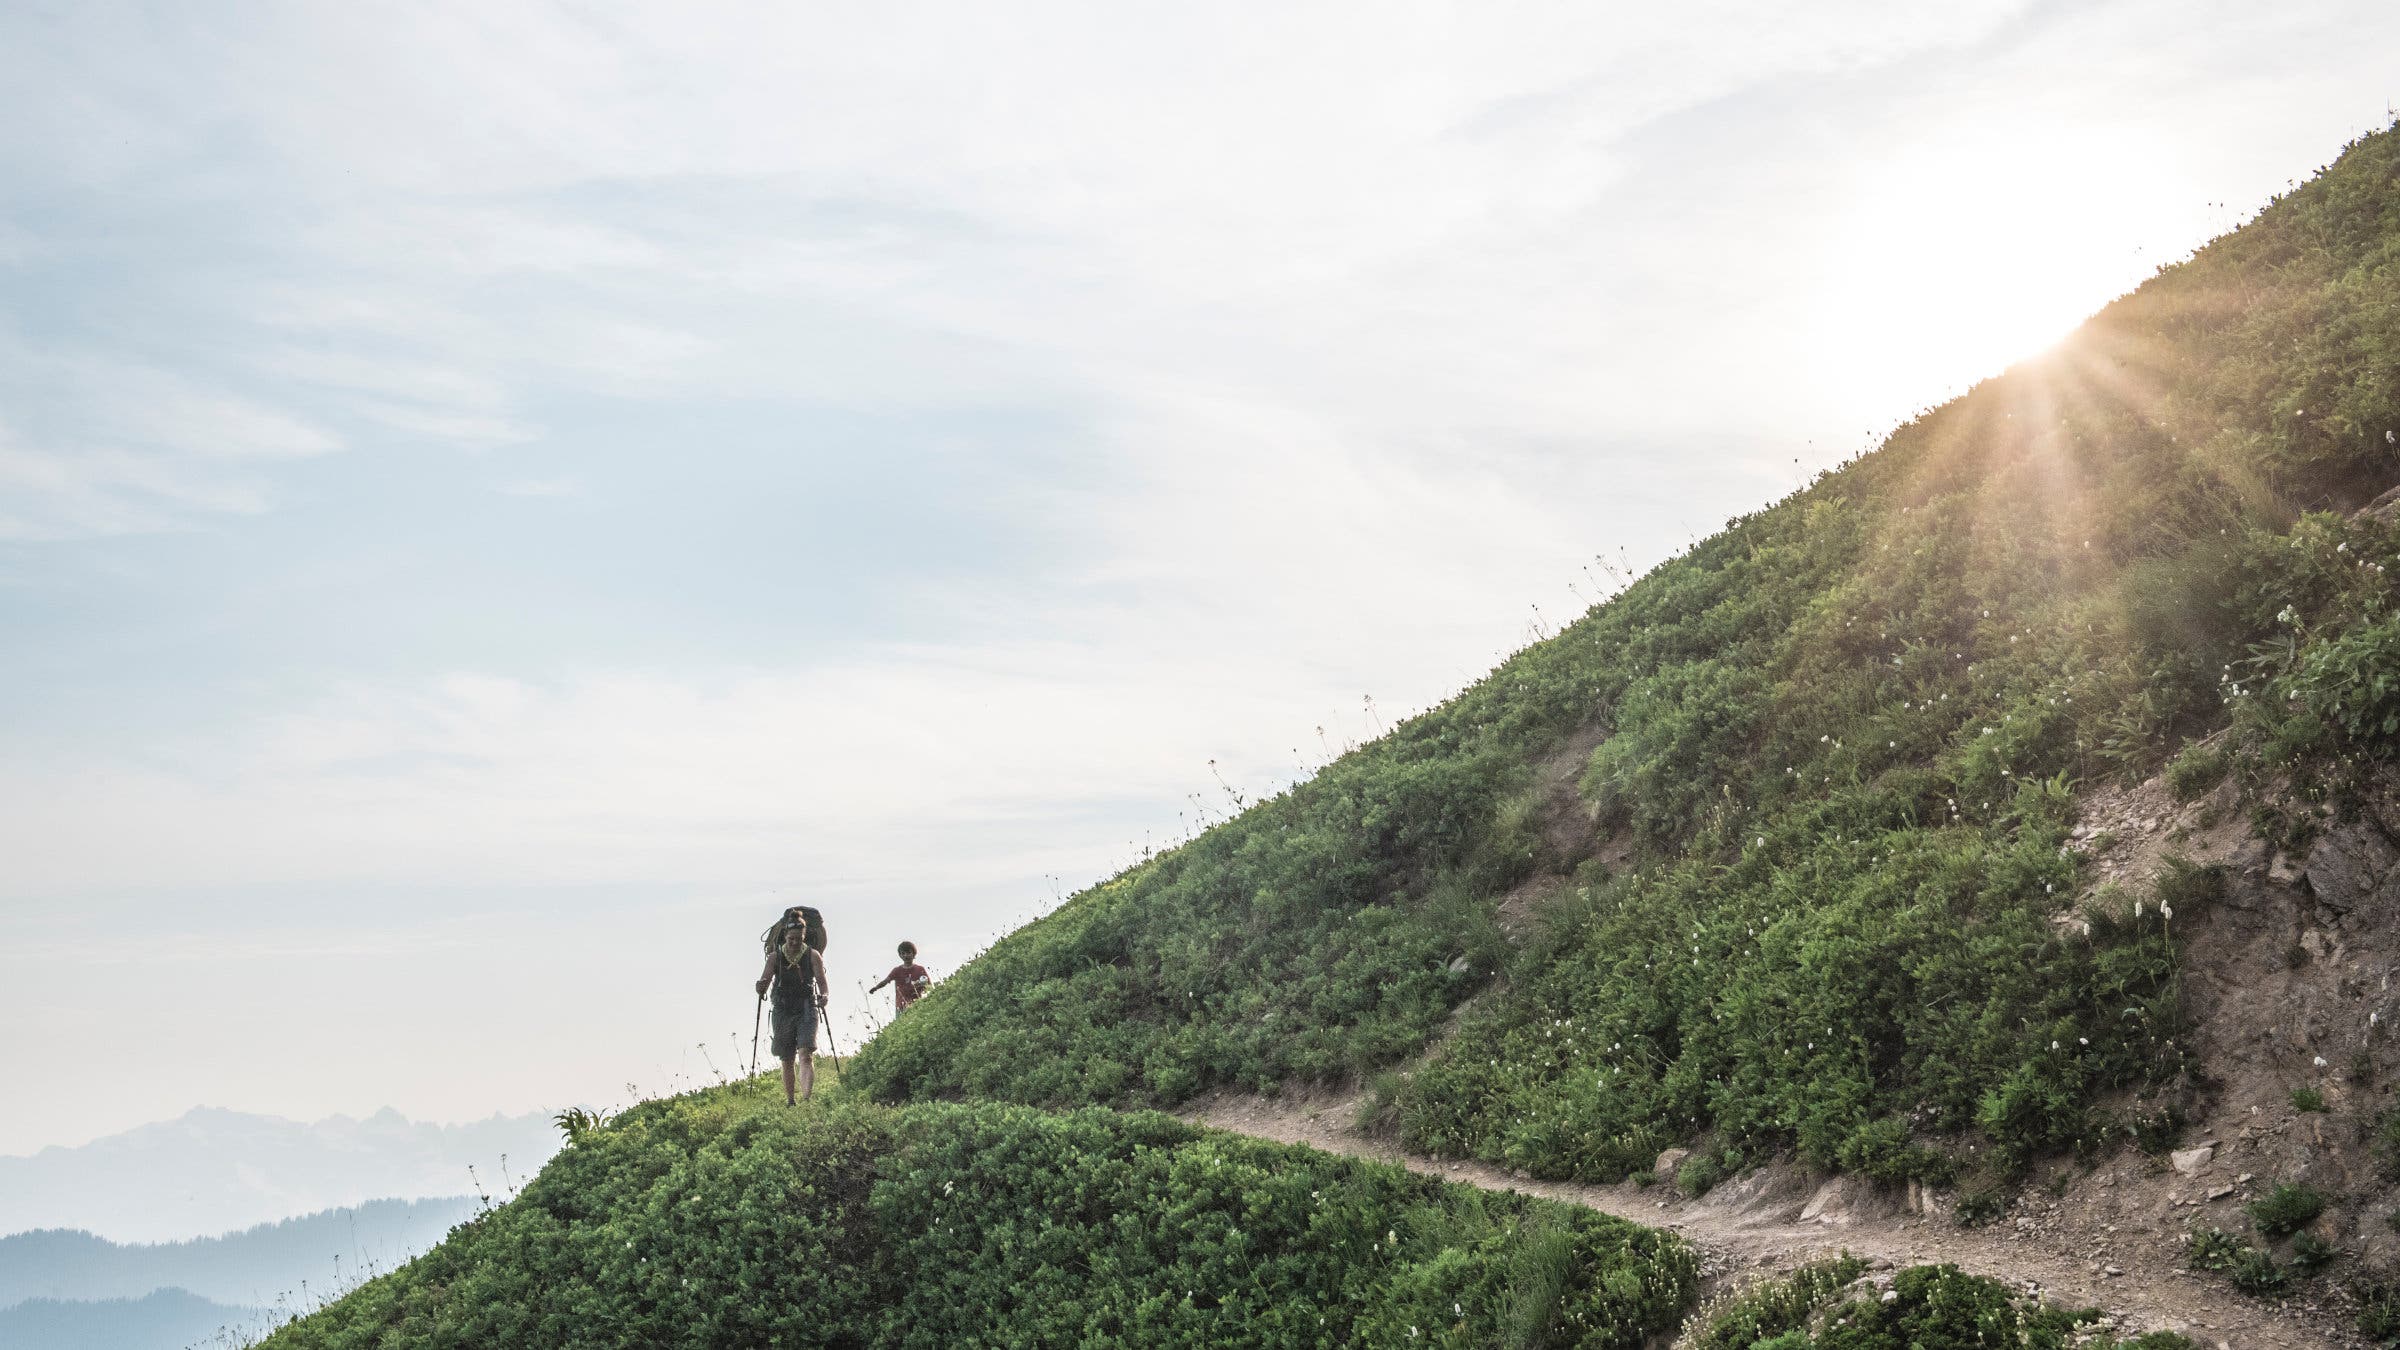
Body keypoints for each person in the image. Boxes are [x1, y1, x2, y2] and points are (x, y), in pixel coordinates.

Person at [755, 921, 828, 1104]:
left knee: (806, 1053)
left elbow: (821, 981)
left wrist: (824, 995)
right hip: (782, 1009)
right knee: (786, 1057)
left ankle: (806, 1098)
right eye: (791, 939)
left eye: (799, 939)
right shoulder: (775, 957)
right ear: (784, 937)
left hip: (807, 1007)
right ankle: (790, 1100)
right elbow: (765, 981)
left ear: (804, 937)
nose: (795, 942)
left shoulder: (813, 955)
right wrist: (760, 988)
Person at [868, 941, 931, 1016]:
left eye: (908, 953)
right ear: (900, 955)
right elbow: (886, 981)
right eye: (903, 953)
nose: (906, 955)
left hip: (917, 1005)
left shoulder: (920, 969)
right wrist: (876, 987)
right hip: (901, 1006)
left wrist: (920, 984)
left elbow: (929, 986)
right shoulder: (897, 970)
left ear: (914, 953)